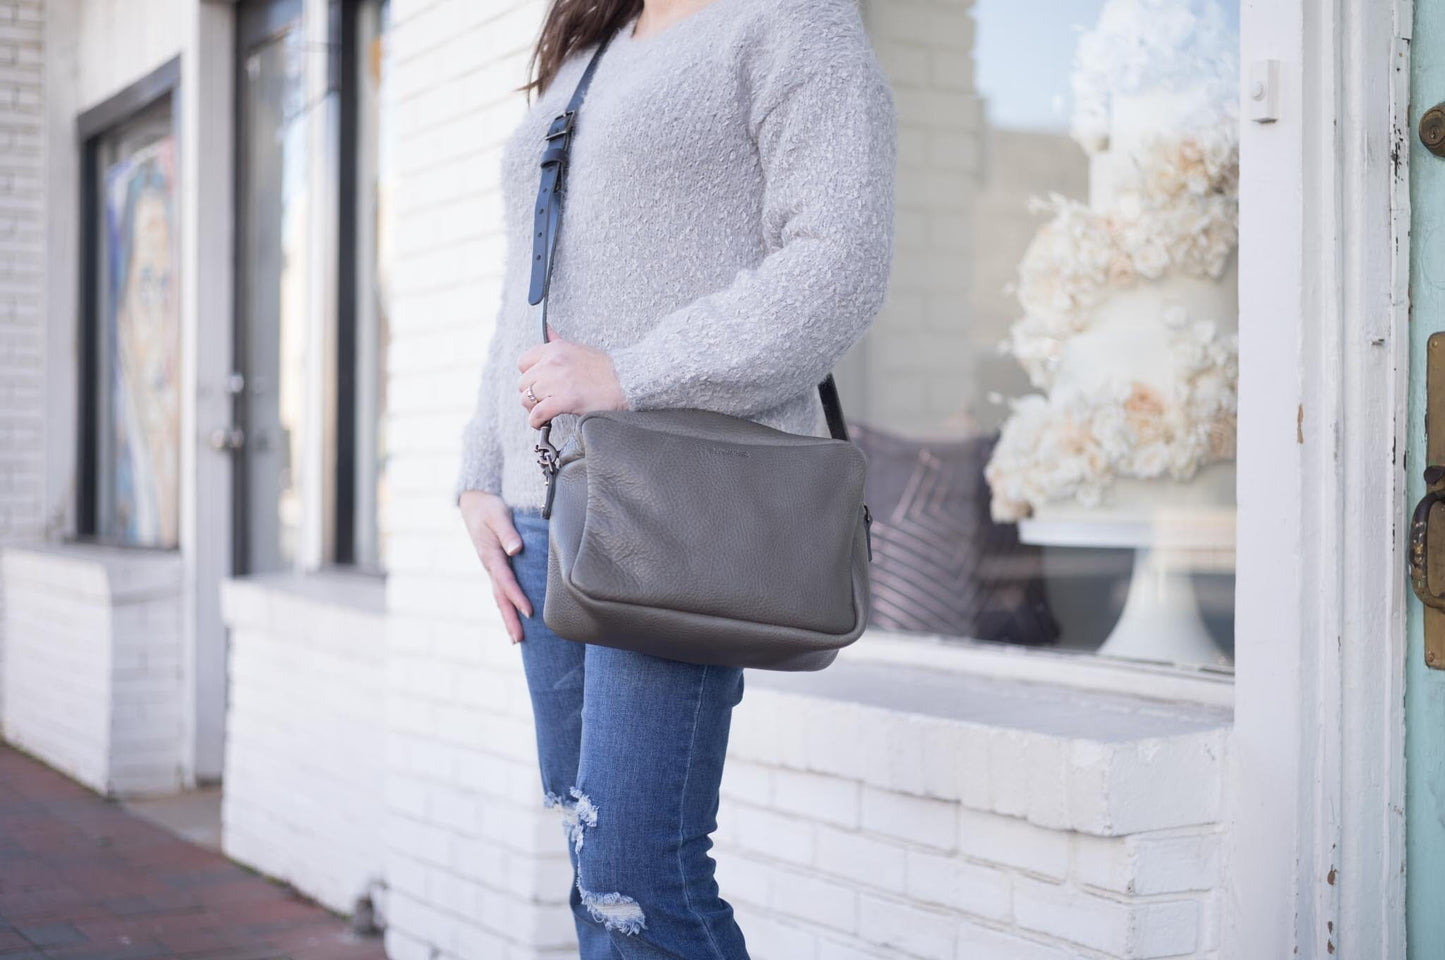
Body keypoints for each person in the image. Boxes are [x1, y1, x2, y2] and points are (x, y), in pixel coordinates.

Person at [455, 0, 895, 955]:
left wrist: (632, 373)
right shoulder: (591, 46)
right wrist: (480, 471)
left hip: (667, 509)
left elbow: (841, 259)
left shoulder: (789, 23)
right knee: (594, 872)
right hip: (539, 516)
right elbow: (529, 278)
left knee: (637, 878)